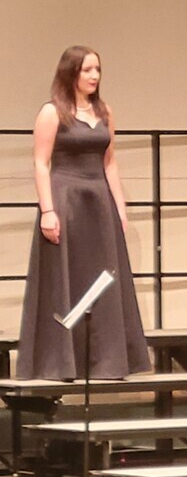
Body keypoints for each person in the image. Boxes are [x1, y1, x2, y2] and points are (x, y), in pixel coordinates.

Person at [18, 46, 150, 380]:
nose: (94, 76)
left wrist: (120, 207)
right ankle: (59, 363)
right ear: (71, 73)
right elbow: (40, 162)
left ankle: (107, 362)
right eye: (87, 70)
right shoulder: (52, 112)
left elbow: (110, 162)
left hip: (99, 201)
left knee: (103, 277)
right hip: (66, 200)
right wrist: (47, 209)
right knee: (66, 277)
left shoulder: (104, 111)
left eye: (97, 70)